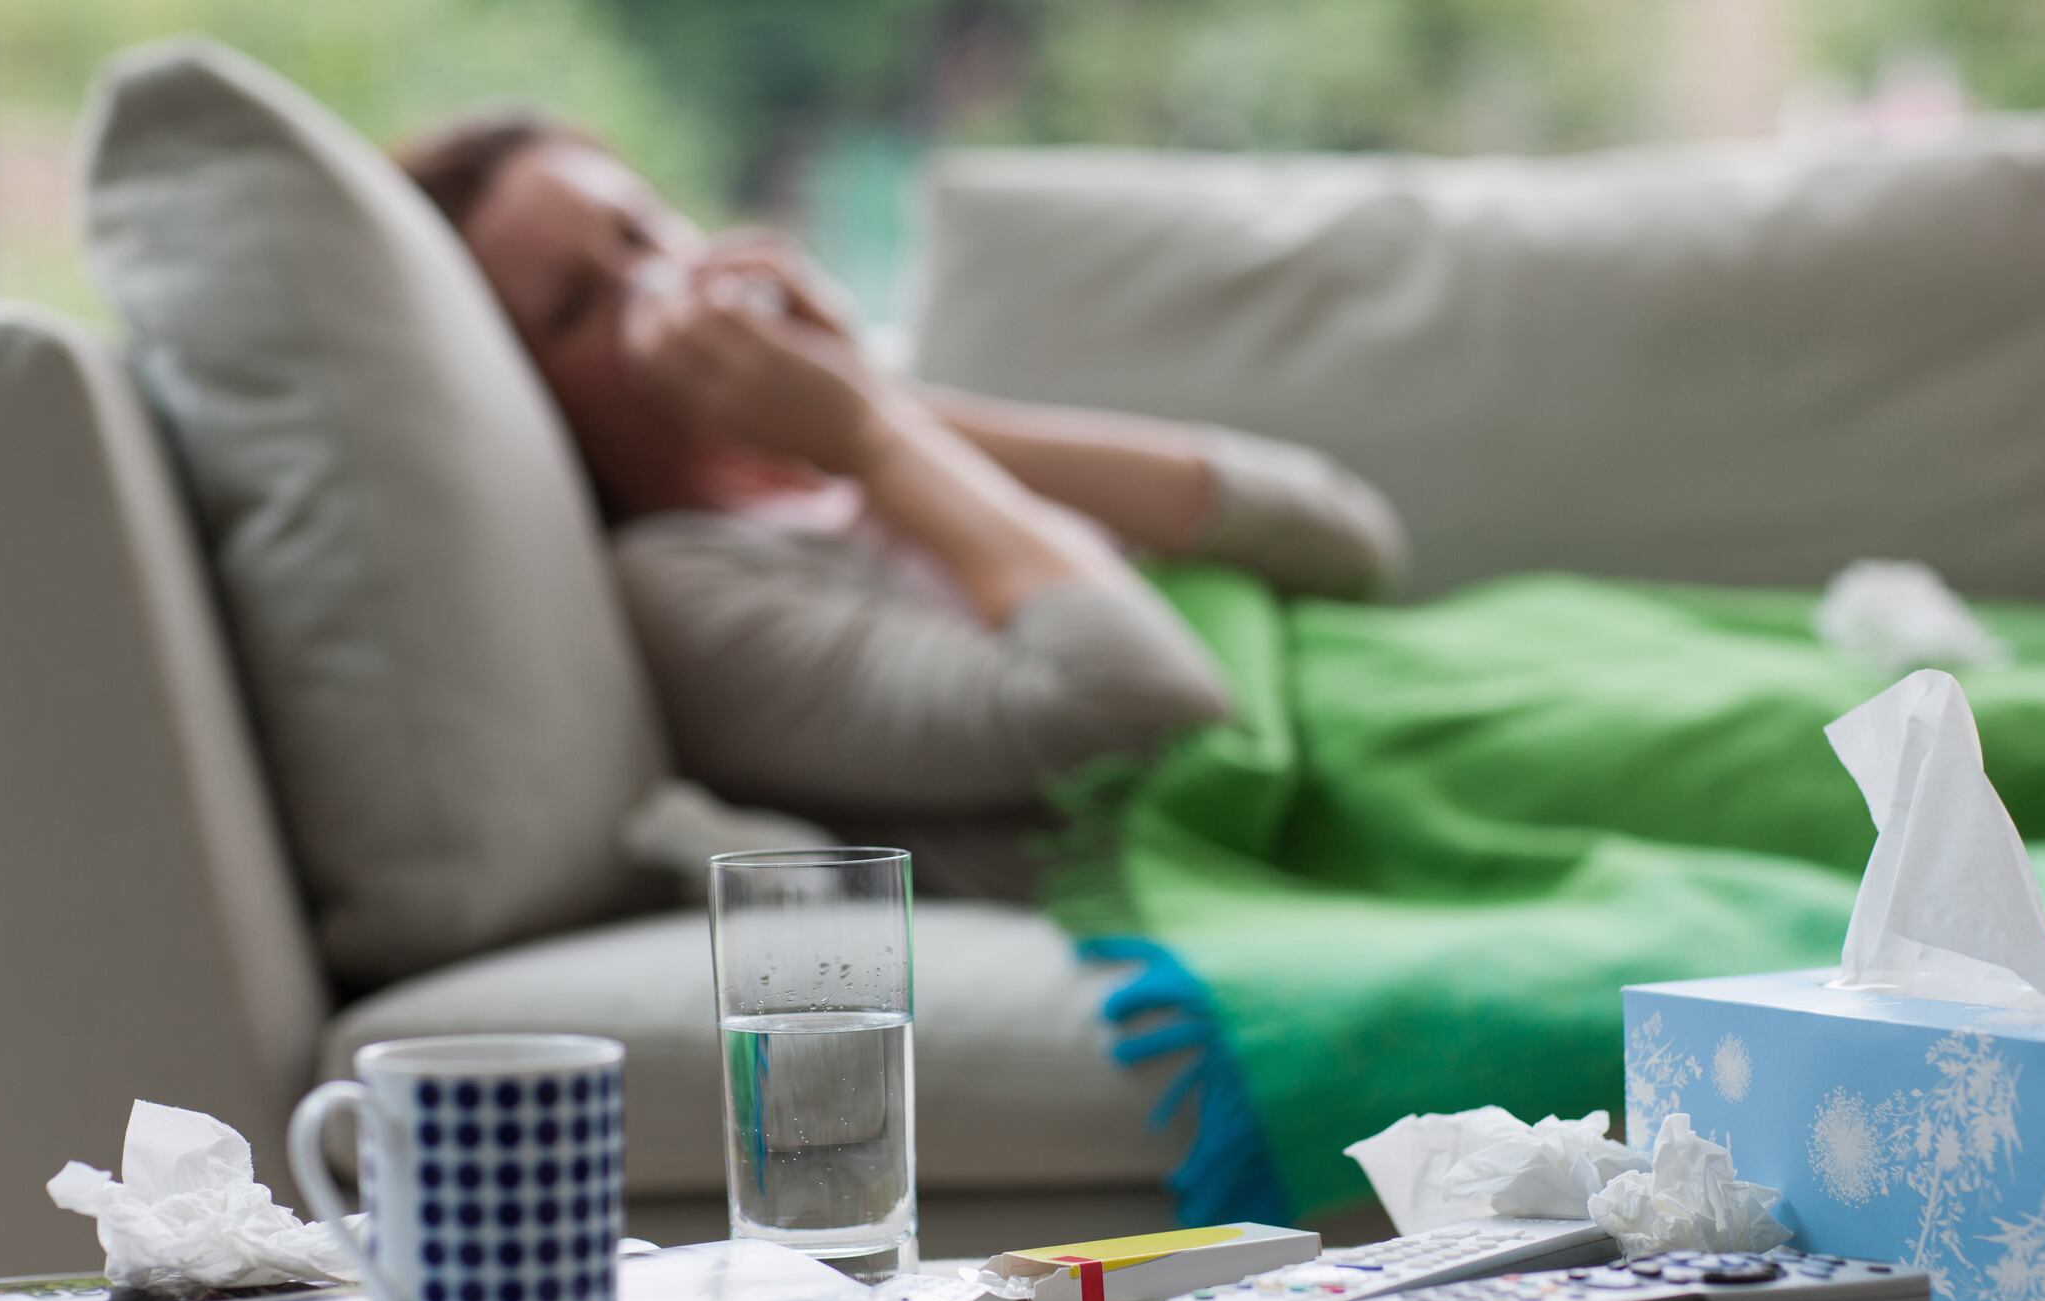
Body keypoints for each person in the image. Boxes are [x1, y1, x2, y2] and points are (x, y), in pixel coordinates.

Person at [396, 112, 1403, 896]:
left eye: (640, 229)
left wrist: (884, 411)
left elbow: (1346, 536)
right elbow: (1148, 710)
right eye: (576, 305)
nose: (657, 283)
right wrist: (871, 437)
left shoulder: (875, 451)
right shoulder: (680, 587)